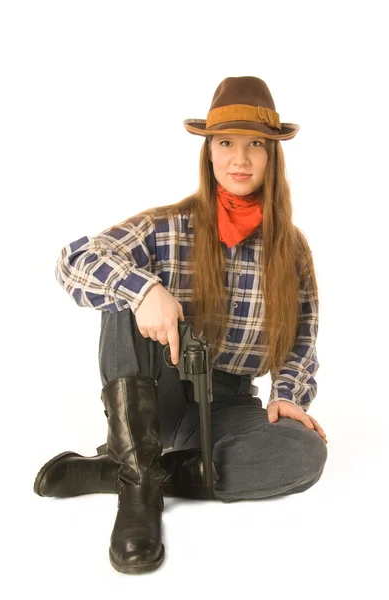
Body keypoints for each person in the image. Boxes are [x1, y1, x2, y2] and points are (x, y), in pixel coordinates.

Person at [33, 76, 328, 575]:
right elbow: (75, 260)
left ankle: (130, 472)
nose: (240, 159)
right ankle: (139, 501)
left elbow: (302, 340)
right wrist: (144, 290)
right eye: (225, 143)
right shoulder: (165, 225)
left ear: (272, 156)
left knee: (305, 455)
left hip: (230, 403)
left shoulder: (291, 248)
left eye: (255, 144)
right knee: (123, 292)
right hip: (158, 394)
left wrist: (288, 396)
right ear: (208, 153)